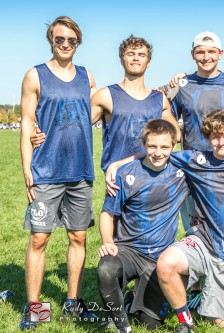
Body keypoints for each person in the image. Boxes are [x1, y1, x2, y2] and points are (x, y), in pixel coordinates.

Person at [19, 16, 98, 330]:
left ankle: (73, 303)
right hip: (46, 171)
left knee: (78, 236)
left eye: (71, 41)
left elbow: (101, 109)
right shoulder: (34, 75)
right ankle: (35, 308)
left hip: (80, 172)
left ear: (78, 43)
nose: (65, 45)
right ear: (51, 40)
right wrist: (27, 168)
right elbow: (27, 123)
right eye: (59, 40)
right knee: (39, 238)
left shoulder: (87, 77)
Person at [155, 110, 224, 333]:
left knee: (223, 325)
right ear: (208, 138)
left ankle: (206, 295)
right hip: (203, 242)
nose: (221, 142)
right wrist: (118, 165)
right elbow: (158, 154)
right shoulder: (196, 160)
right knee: (166, 264)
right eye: (215, 137)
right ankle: (185, 321)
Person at [30, 35, 180, 173]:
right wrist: (40, 132)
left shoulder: (159, 99)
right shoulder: (105, 95)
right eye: (130, 54)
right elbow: (74, 125)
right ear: (122, 59)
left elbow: (177, 135)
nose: (136, 59)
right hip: (117, 175)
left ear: (148, 62)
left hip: (153, 174)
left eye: (141, 55)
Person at [97, 119, 188, 333]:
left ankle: (130, 301)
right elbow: (107, 214)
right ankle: (121, 325)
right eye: (152, 146)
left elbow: (216, 158)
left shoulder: (182, 170)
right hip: (127, 250)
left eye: (164, 147)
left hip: (159, 257)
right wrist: (108, 242)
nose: (158, 152)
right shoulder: (125, 175)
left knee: (151, 324)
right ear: (144, 145)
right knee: (106, 267)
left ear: (173, 146)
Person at [166, 31, 224, 236]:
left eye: (212, 51)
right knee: (195, 227)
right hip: (193, 166)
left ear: (221, 53)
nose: (206, 57)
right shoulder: (182, 86)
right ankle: (195, 266)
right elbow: (165, 114)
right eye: (200, 52)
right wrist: (168, 87)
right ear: (192, 54)